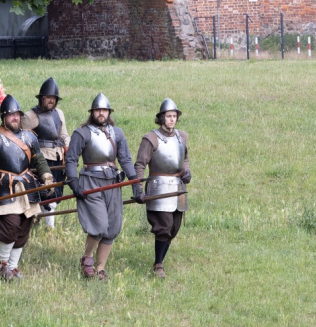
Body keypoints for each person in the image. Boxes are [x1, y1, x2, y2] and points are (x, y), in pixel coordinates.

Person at [0, 95, 54, 281]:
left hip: (27, 186)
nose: (15, 118)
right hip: (4, 187)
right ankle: (3, 265)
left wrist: (47, 178)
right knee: (11, 227)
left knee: (24, 229)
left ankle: (13, 267)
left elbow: (39, 160)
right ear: (3, 117)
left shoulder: (29, 137)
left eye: (17, 114)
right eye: (11, 115)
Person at [65, 93, 140, 280]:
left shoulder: (118, 133)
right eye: (98, 110)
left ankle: (100, 268)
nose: (101, 113)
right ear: (92, 112)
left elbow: (125, 159)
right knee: (98, 225)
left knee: (112, 228)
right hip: (91, 181)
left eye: (104, 110)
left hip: (113, 182)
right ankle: (87, 258)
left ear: (109, 112)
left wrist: (135, 184)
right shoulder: (81, 133)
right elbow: (71, 159)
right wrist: (74, 183)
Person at [133, 98, 190, 278]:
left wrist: (187, 171)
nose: (172, 119)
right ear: (161, 118)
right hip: (158, 187)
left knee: (174, 228)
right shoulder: (150, 139)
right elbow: (140, 165)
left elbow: (185, 158)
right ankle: (158, 265)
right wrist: (138, 189)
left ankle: (159, 262)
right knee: (164, 226)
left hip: (178, 187)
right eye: (168, 116)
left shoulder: (182, 137)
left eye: (174, 116)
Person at [21, 77, 70, 229]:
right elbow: (23, 141)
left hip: (58, 157)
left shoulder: (59, 114)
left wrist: (69, 148)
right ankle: (44, 224)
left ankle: (47, 224)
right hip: (40, 159)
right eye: (48, 98)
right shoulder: (29, 116)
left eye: (53, 98)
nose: (51, 101)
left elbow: (64, 135)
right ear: (42, 98)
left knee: (55, 193)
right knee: (42, 194)